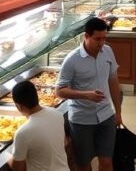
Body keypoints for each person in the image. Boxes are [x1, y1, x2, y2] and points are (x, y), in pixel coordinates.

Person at [56, 18, 123, 171]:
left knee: (107, 162)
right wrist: (86, 95)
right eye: (97, 39)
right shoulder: (72, 60)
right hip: (82, 120)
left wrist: (118, 112)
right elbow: (59, 90)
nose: (101, 43)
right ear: (86, 36)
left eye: (104, 38)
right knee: (84, 164)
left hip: (106, 115)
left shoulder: (108, 51)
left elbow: (113, 81)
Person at [8, 80, 68, 171]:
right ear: (37, 97)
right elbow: (64, 142)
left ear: (18, 107)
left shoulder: (23, 132)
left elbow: (17, 168)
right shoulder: (56, 114)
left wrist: (7, 157)